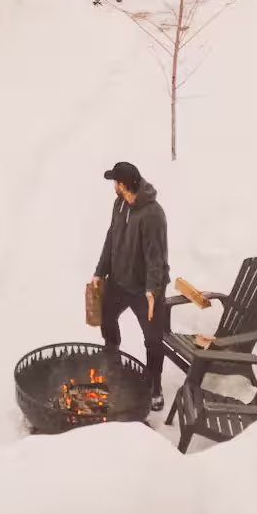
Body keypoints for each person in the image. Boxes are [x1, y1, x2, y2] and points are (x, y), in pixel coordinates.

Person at [94, 160, 170, 413]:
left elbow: (155, 257)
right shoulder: (119, 204)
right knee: (107, 317)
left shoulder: (152, 214)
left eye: (115, 182)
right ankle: (112, 362)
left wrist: (152, 291)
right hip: (119, 281)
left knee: (153, 339)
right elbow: (110, 238)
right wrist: (100, 271)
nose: (113, 186)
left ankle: (155, 387)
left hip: (145, 289)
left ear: (124, 184)